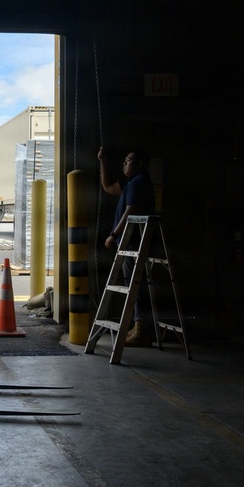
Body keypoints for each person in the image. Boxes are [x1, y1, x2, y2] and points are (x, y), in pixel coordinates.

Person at [98, 146, 156, 346]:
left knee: (136, 286)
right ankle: (138, 326)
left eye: (128, 160)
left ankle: (141, 329)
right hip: (130, 242)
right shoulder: (132, 183)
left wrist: (113, 235)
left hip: (134, 242)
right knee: (134, 285)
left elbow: (130, 211)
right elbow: (108, 186)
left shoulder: (139, 182)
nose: (124, 163)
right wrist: (103, 161)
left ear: (139, 164)